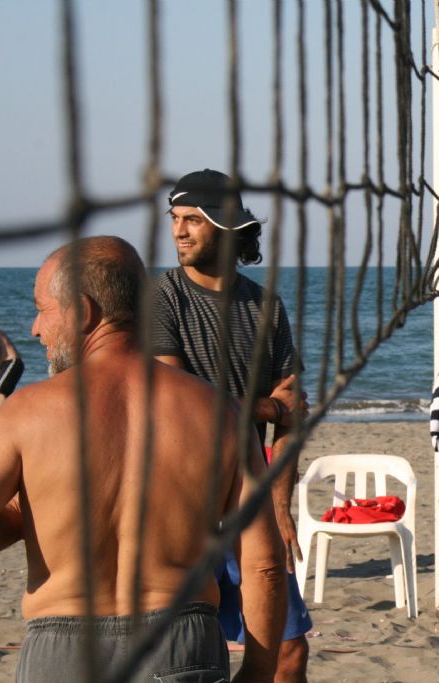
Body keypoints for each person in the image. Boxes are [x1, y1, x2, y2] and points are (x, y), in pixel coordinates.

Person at [0, 236, 286, 682]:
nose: (34, 328)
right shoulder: (222, 412)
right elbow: (263, 562)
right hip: (183, 644)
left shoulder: (23, 414)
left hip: (63, 650)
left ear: (82, 311)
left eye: (42, 308)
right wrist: (260, 672)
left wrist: (39, 506)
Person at [152, 169, 312, 682]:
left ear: (226, 229)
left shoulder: (266, 306)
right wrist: (265, 408)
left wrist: (281, 506)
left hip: (251, 500)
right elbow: (185, 404)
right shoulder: (161, 299)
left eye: (192, 221)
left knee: (288, 654)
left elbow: (296, 410)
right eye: (175, 220)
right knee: (186, 658)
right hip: (180, 504)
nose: (179, 231)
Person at [0, 318, 24, 406]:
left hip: (11, 363)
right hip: (7, 365)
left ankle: (4, 417)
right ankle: (14, 414)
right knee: (5, 394)